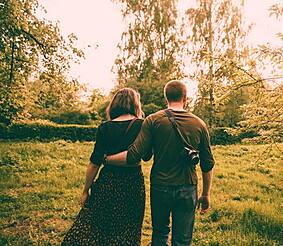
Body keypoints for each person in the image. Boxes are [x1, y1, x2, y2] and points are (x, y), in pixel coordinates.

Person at [106, 80, 215, 246]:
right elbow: (207, 165)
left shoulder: (153, 120)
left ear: (166, 97)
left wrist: (106, 159)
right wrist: (206, 194)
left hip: (160, 187)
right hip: (187, 187)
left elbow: (135, 155)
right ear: (185, 97)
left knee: (160, 234)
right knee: (183, 239)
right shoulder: (199, 124)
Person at [62, 88, 151, 245]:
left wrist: (85, 190)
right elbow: (146, 156)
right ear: (136, 104)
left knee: (102, 227)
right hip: (133, 184)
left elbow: (94, 162)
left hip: (108, 182)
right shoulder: (142, 125)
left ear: (115, 104)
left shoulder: (105, 127)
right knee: (129, 227)